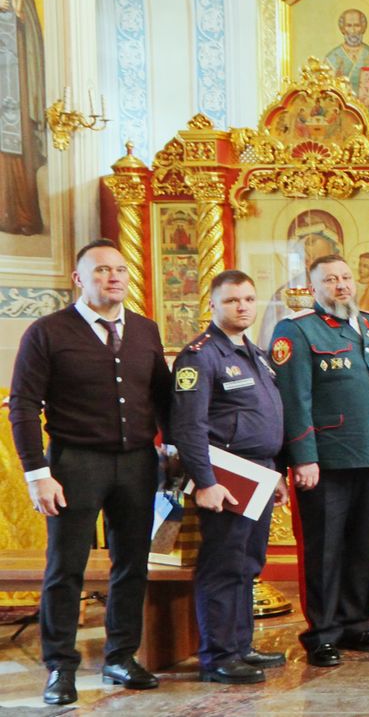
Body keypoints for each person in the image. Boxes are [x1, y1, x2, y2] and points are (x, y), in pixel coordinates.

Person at [12, 242, 170, 704]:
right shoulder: (47, 332)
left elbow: (163, 395)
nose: (113, 277)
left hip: (137, 463)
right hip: (74, 464)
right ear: (79, 279)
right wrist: (37, 473)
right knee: (66, 567)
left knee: (132, 564)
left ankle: (120, 656)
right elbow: (23, 405)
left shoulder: (145, 329)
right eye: (101, 270)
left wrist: (174, 448)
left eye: (120, 269)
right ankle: (60, 668)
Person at [271, 254, 369, 668]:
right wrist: (303, 457)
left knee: (365, 546)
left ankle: (356, 624)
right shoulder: (297, 330)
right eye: (330, 280)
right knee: (324, 549)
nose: (341, 285)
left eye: (345, 277)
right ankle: (322, 632)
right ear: (314, 288)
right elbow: (295, 400)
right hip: (326, 461)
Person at [171, 271, 288, 685]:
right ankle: (219, 655)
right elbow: (189, 427)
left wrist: (276, 474)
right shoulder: (200, 356)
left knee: (247, 563)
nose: (242, 306)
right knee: (223, 564)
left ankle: (241, 645)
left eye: (249, 299)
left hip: (260, 471)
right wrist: (205, 482)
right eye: (232, 300)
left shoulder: (255, 353)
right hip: (227, 475)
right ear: (213, 305)